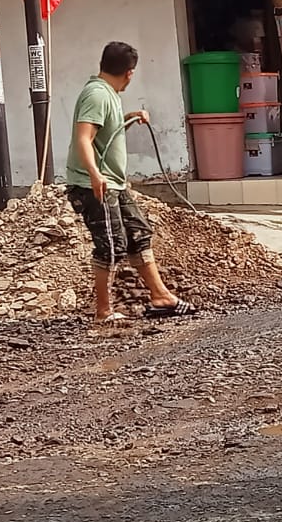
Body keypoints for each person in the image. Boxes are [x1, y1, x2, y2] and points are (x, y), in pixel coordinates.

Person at [65, 42, 193, 323]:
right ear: (130, 73)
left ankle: (161, 296)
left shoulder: (106, 94)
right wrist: (95, 175)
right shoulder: (96, 95)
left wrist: (129, 117)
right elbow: (83, 137)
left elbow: (103, 128)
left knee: (138, 234)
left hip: (114, 183)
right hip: (94, 184)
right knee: (111, 245)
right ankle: (103, 312)